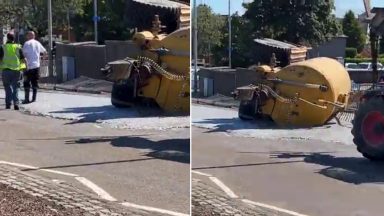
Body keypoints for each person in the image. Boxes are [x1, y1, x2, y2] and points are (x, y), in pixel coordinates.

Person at [0, 33, 26, 110]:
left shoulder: (2, 47)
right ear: (14, 39)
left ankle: (8, 104)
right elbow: (23, 60)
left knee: (7, 88)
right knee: (16, 88)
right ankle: (16, 104)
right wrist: (24, 68)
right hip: (17, 71)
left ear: (7, 38)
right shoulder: (18, 47)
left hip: (6, 71)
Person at [22, 31, 47, 104]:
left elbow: (23, 55)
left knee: (26, 82)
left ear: (28, 36)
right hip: (36, 66)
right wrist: (42, 60)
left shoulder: (26, 43)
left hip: (28, 67)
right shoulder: (38, 43)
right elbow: (45, 52)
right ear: (34, 36)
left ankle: (26, 99)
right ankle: (34, 98)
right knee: (35, 82)